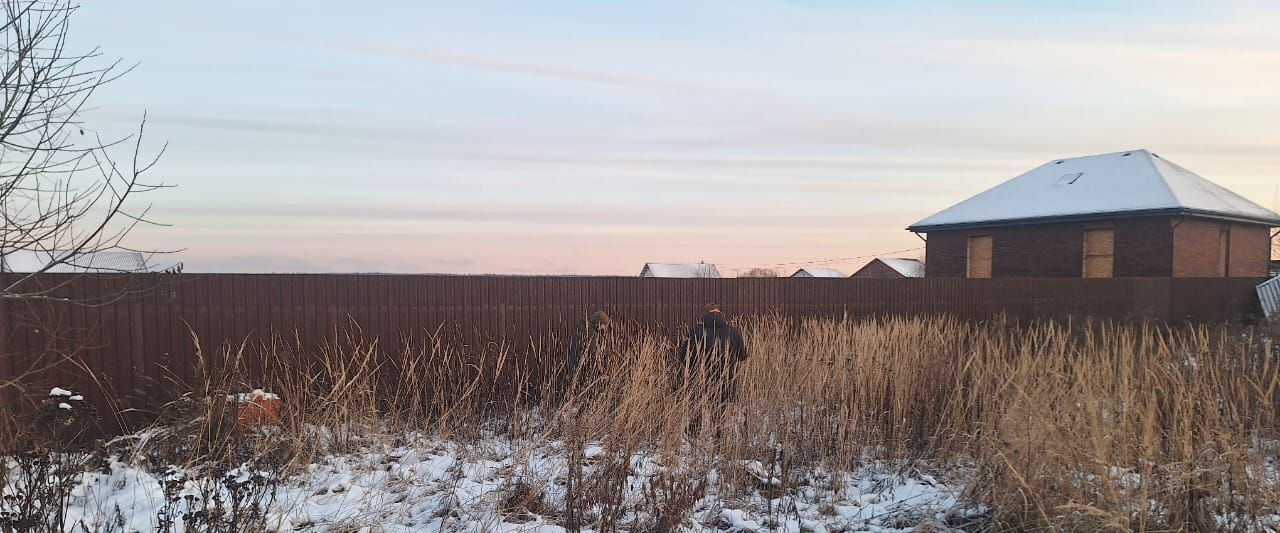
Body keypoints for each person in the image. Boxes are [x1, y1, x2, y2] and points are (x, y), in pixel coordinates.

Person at [677, 303, 749, 406]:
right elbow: (743, 356)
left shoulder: (697, 331)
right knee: (719, 416)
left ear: (705, 314)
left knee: (696, 414)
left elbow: (684, 356)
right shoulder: (732, 331)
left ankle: (697, 422)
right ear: (720, 312)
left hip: (701, 382)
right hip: (726, 382)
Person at [561, 310, 611, 397]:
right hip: (580, 369)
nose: (604, 328)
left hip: (573, 367)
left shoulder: (581, 329)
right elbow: (593, 355)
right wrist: (602, 374)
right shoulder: (591, 334)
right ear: (599, 323)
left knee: (574, 394)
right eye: (604, 325)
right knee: (582, 394)